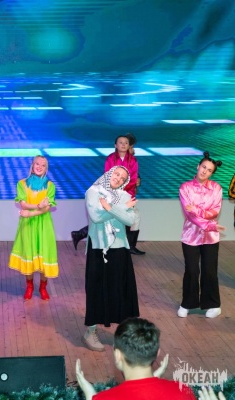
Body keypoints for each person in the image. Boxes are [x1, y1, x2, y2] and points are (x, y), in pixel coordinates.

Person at [82, 166, 139, 352]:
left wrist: (110, 207)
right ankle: (90, 332)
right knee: (96, 290)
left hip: (119, 247)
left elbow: (130, 221)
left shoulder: (124, 195)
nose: (118, 178)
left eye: (122, 178)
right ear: (109, 173)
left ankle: (122, 334)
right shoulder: (93, 191)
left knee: (121, 291)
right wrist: (121, 208)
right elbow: (96, 217)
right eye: (116, 174)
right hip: (99, 247)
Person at [76, 318, 195, 400]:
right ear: (157, 353)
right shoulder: (183, 391)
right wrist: (154, 379)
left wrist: (91, 396)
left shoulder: (104, 398)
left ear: (117, 355)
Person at [72, 134, 144, 255]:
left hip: (127, 194)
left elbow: (133, 178)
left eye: (126, 143)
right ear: (115, 145)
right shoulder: (110, 158)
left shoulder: (133, 160)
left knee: (123, 217)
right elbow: (108, 175)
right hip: (111, 193)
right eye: (121, 142)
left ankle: (127, 245)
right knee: (108, 216)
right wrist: (116, 190)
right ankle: (127, 246)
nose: (123, 145)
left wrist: (123, 192)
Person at [177, 152, 225, 319]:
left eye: (209, 170)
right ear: (198, 167)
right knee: (191, 270)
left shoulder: (217, 188)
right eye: (203, 167)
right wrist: (209, 223)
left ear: (212, 173)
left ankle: (213, 304)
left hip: (211, 237)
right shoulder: (185, 188)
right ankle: (187, 304)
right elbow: (189, 214)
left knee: (210, 270)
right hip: (190, 235)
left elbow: (215, 211)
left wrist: (197, 210)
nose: (205, 171)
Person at [8, 156, 59, 301]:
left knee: (44, 255)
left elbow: (47, 208)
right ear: (32, 165)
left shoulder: (50, 186)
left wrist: (31, 213)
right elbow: (23, 204)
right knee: (28, 254)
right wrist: (38, 205)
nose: (39, 167)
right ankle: (29, 286)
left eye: (43, 165)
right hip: (28, 226)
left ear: (46, 168)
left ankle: (43, 287)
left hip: (44, 225)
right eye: (37, 164)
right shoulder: (22, 184)